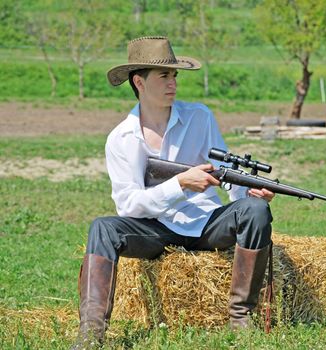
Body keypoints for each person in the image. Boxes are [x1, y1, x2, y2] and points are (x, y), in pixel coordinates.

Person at [71, 36, 274, 349]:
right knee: (103, 227)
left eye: (175, 75)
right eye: (164, 76)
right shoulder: (121, 138)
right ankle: (91, 333)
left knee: (256, 212)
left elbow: (227, 176)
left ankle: (240, 318)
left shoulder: (200, 117)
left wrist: (248, 196)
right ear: (139, 81)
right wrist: (179, 185)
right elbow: (129, 205)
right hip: (155, 231)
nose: (173, 83)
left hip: (207, 224)